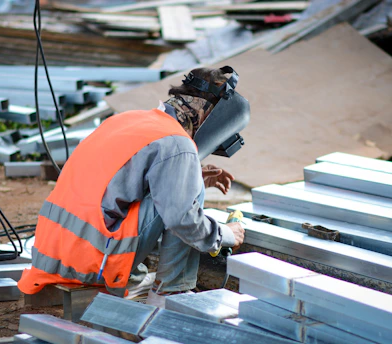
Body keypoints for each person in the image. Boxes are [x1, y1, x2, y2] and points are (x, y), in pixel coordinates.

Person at [18, 66, 251, 308]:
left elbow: (113, 184)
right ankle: (171, 293)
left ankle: (133, 277)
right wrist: (225, 234)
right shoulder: (177, 143)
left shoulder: (129, 120)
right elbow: (182, 219)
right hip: (88, 263)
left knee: (178, 190)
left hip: (53, 254)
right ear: (213, 117)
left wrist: (189, 175)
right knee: (184, 201)